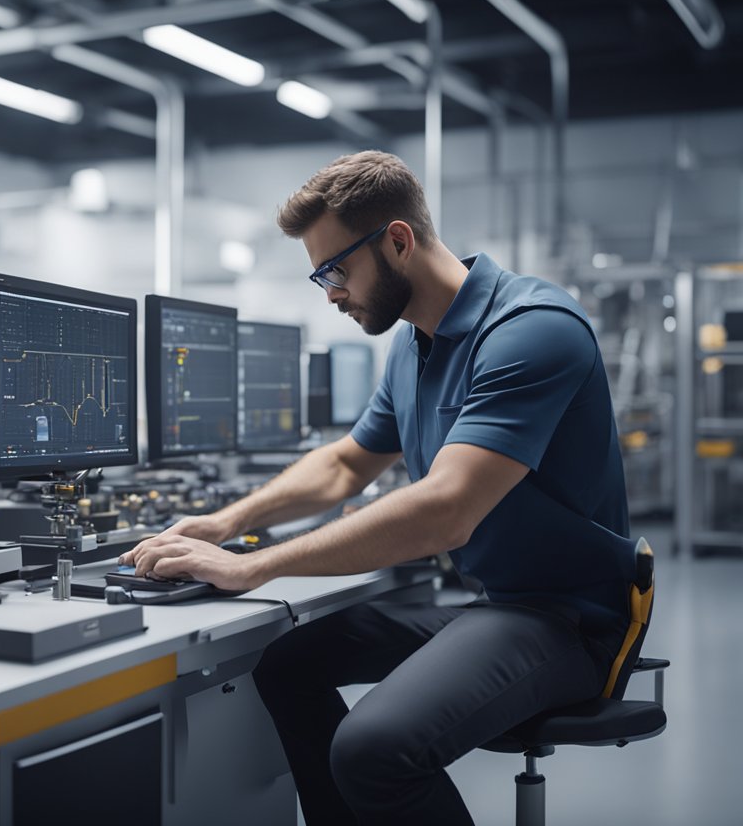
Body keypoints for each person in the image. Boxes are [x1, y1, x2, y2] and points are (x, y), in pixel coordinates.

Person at [118, 150, 635, 825]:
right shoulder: (414, 345)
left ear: (397, 241)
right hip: (498, 603)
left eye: (336, 270)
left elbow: (446, 513)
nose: (330, 292)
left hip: (569, 621)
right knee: (286, 664)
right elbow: (344, 465)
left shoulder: (531, 330)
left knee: (373, 748)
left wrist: (252, 566)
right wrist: (223, 522)